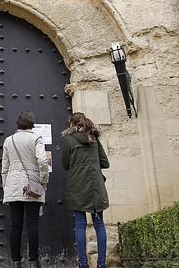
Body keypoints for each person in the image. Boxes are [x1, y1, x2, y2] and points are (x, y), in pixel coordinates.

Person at [61, 113, 110, 268]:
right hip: (96, 186)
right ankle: (101, 264)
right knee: (99, 225)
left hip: (78, 186)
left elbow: (66, 164)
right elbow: (105, 163)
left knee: (80, 225)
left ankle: (83, 264)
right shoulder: (94, 138)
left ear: (71, 124)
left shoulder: (68, 140)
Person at [1, 111, 50, 268]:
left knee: (15, 225)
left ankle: (16, 261)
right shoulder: (36, 138)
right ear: (32, 123)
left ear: (18, 123)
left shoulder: (9, 140)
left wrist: (6, 186)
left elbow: (5, 167)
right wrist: (42, 181)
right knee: (32, 224)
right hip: (32, 186)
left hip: (14, 186)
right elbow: (42, 161)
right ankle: (33, 262)